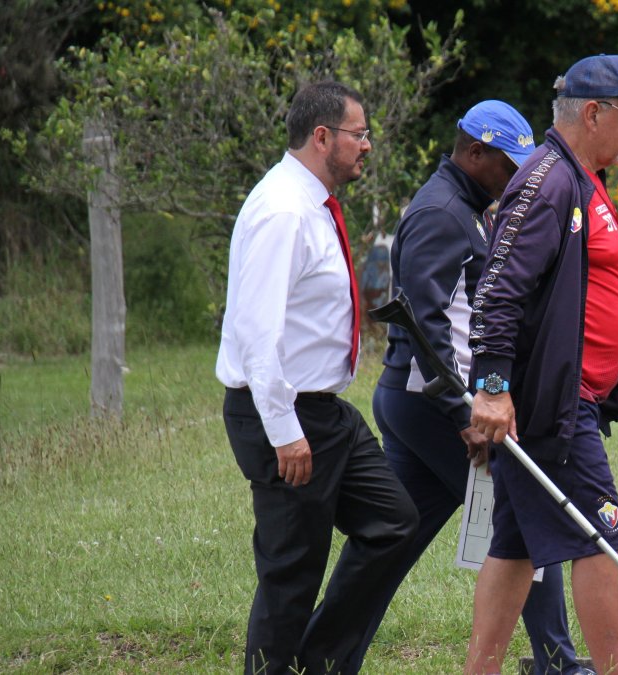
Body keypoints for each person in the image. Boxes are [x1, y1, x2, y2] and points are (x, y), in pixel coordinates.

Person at [345, 101, 591, 675]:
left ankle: (325, 657)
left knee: (390, 540)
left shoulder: (467, 207)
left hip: (418, 402)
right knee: (527, 513)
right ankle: (561, 665)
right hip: (434, 403)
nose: (514, 177)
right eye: (506, 165)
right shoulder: (441, 212)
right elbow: (423, 322)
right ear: (473, 152)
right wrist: (464, 412)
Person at [465, 55, 618, 675]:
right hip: (554, 402)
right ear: (593, 112)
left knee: (515, 545)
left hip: (572, 397)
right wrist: (493, 390)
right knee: (601, 532)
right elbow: (497, 291)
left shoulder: (585, 177)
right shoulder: (547, 180)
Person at [216, 80, 419, 675]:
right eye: (359, 134)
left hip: (326, 412)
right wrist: (283, 430)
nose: (368, 146)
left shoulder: (312, 203)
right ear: (322, 136)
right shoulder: (281, 210)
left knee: (394, 524)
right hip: (281, 411)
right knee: (291, 573)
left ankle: (318, 663)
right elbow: (256, 333)